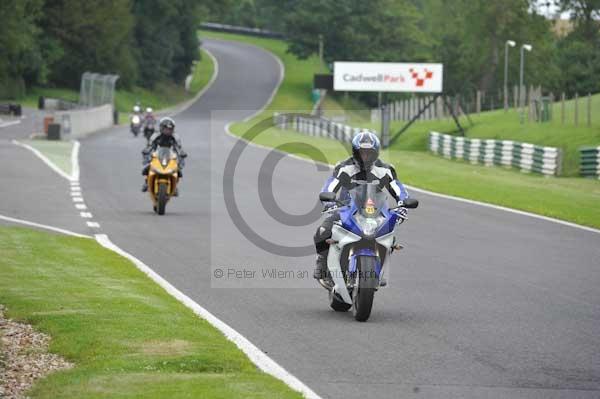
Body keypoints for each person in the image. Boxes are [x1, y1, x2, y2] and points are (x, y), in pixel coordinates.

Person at [313, 130, 409, 286]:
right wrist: (329, 200)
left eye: (368, 153)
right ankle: (322, 263)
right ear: (355, 152)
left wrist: (403, 203)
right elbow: (330, 185)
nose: (365, 156)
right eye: (361, 152)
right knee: (323, 231)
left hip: (375, 212)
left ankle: (377, 270)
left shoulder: (385, 169)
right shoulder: (344, 167)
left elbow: (398, 188)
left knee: (390, 233)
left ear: (375, 153)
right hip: (345, 209)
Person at [141, 117, 187, 193]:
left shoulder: (175, 137)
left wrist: (181, 153)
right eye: (166, 128)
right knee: (147, 167)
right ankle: (146, 182)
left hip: (170, 155)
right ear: (161, 128)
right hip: (157, 154)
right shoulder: (155, 135)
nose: (168, 131)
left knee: (178, 170)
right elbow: (150, 145)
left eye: (170, 129)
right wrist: (147, 150)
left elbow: (178, 148)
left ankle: (175, 185)